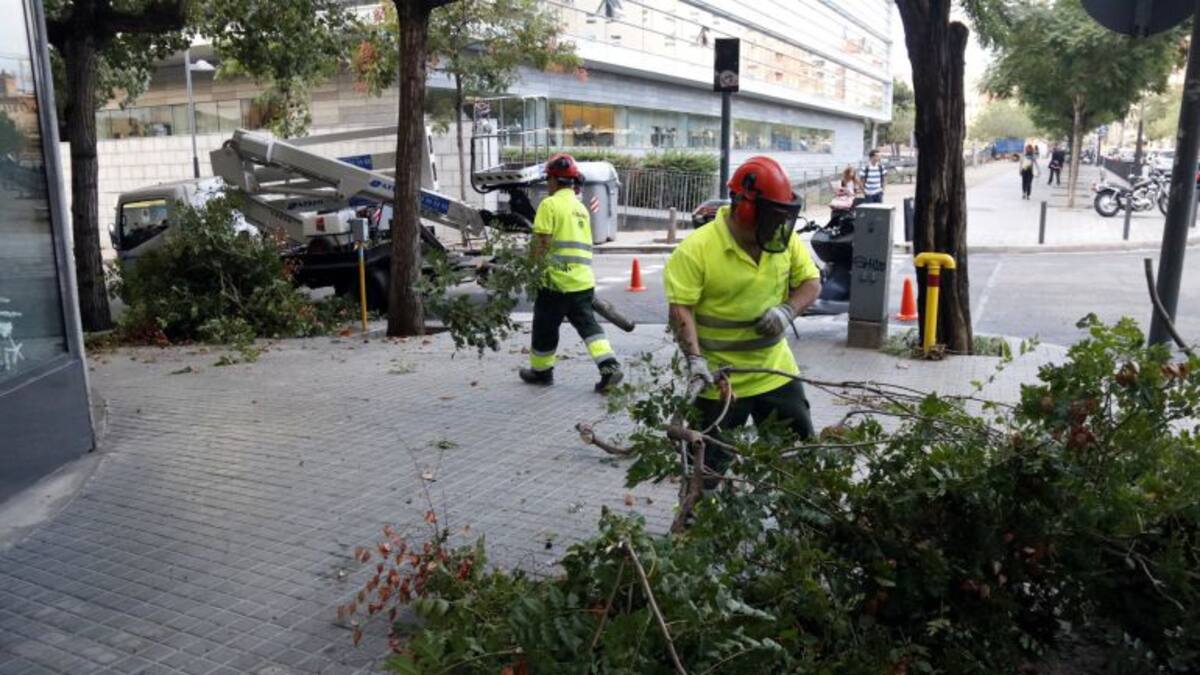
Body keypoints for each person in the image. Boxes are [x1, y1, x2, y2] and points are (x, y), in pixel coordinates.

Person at [663, 156, 822, 490]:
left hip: (774, 373)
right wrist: (694, 359)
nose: (779, 224)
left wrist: (787, 311)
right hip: (718, 380)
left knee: (799, 459)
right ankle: (694, 526)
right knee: (705, 470)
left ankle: (806, 524)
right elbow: (681, 310)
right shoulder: (697, 249)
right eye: (773, 215)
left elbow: (811, 282)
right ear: (746, 208)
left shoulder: (783, 240)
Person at [519, 153, 623, 392]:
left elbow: (542, 242)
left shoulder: (549, 204)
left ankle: (542, 372)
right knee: (590, 328)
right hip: (582, 282)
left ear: (554, 180)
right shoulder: (580, 209)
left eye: (549, 179)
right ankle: (610, 368)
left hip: (555, 282)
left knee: (545, 327)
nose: (547, 183)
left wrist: (529, 267)